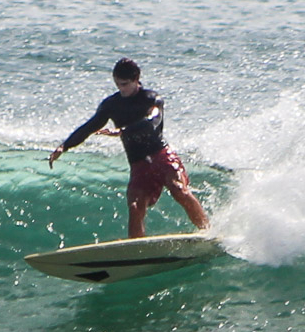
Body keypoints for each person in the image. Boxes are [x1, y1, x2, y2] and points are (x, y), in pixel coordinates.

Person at [48, 58, 209, 239]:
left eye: (125, 84)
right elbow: (89, 127)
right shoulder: (111, 105)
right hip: (139, 163)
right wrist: (65, 146)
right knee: (135, 206)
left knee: (178, 189)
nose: (121, 89)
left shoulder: (152, 99)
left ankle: (207, 231)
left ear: (136, 79)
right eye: (117, 84)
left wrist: (123, 131)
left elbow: (151, 123)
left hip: (161, 155)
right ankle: (135, 249)